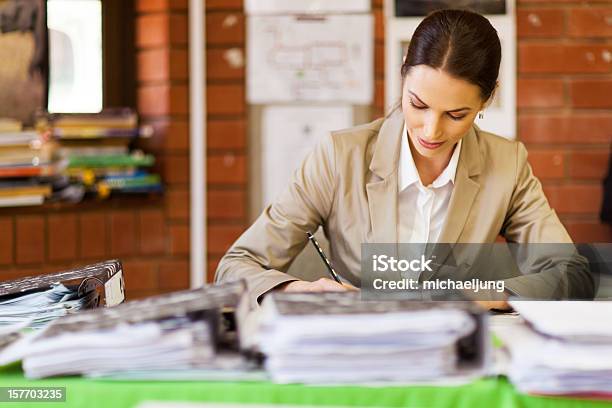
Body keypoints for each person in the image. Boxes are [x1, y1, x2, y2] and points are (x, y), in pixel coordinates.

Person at [215, 9, 594, 308]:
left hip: (454, 358)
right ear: (402, 74)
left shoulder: (506, 164)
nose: (431, 131)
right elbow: (234, 268)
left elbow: (572, 273)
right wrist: (294, 290)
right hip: (355, 352)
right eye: (418, 104)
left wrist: (490, 292)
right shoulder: (339, 156)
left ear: (487, 100)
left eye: (456, 115)